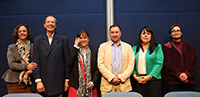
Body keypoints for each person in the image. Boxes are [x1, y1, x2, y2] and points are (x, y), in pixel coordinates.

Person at [30, 16, 70, 97]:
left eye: (53, 22)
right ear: (44, 25)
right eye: (48, 22)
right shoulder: (38, 40)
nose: (50, 24)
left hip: (58, 82)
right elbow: (35, 61)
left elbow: (67, 62)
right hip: (42, 82)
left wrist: (67, 80)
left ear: (56, 25)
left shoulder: (63, 39)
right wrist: (38, 81)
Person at [98, 24, 135, 96]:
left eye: (116, 32)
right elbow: (100, 64)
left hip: (124, 86)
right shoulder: (103, 47)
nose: (114, 34)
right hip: (107, 86)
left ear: (120, 33)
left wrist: (121, 78)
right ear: (109, 34)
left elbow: (131, 64)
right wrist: (112, 78)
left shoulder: (128, 47)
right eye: (112, 32)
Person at [162, 24, 198, 94]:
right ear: (170, 34)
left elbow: (195, 63)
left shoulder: (189, 46)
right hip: (172, 82)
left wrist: (187, 75)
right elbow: (166, 64)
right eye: (173, 31)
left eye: (178, 30)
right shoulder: (165, 47)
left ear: (181, 33)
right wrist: (178, 75)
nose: (176, 32)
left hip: (188, 81)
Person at [2, 24, 37, 93]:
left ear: (27, 33)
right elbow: (11, 64)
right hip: (14, 81)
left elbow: (37, 62)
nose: (22, 33)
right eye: (19, 31)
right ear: (17, 34)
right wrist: (27, 67)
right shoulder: (11, 47)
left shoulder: (33, 47)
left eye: (24, 31)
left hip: (30, 81)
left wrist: (32, 70)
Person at [132, 26, 163, 97]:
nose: (146, 35)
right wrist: (135, 76)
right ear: (140, 36)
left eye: (148, 34)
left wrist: (149, 77)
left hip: (154, 81)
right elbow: (131, 63)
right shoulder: (134, 48)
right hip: (138, 81)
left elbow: (159, 63)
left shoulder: (157, 47)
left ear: (151, 36)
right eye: (143, 33)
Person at [67, 30, 99, 97]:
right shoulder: (74, 52)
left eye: (85, 37)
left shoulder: (94, 53)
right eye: (80, 38)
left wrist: (93, 82)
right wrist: (75, 46)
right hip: (76, 87)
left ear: (88, 39)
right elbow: (69, 63)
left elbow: (97, 70)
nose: (83, 40)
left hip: (91, 87)